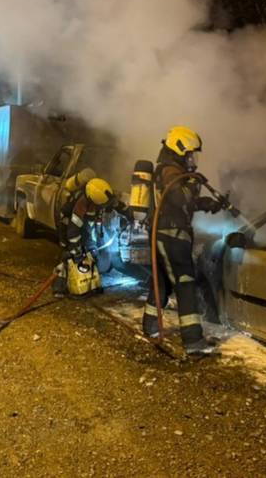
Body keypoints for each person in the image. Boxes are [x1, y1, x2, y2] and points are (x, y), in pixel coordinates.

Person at [142, 126, 223, 355]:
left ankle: (149, 326)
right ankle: (192, 340)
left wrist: (205, 204)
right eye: (189, 154)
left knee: (162, 283)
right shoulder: (170, 172)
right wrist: (194, 184)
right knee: (185, 283)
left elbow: (180, 202)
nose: (192, 159)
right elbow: (179, 198)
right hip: (171, 237)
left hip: (165, 235)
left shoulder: (172, 170)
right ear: (178, 150)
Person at [52, 177, 129, 297]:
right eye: (102, 205)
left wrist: (128, 213)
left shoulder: (100, 196)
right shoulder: (81, 205)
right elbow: (73, 231)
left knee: (90, 254)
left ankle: (90, 284)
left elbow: (114, 204)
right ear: (93, 201)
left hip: (84, 226)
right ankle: (59, 288)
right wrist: (75, 250)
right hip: (68, 228)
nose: (103, 207)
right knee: (68, 258)